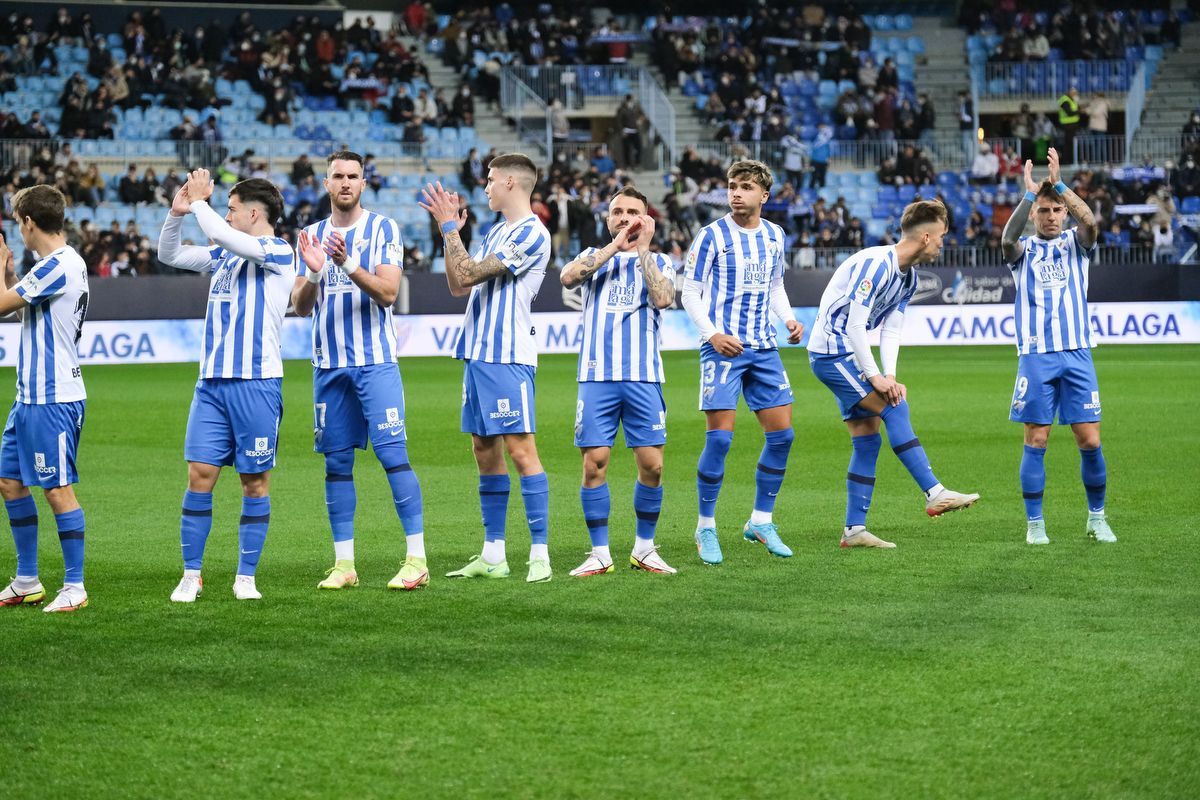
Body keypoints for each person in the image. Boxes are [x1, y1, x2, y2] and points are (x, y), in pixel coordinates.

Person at [290, 151, 427, 592]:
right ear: (326, 184)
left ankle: (416, 558)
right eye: (338, 176)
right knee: (337, 463)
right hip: (328, 366)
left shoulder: (384, 228)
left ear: (363, 184)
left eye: (353, 176)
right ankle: (344, 564)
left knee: (393, 455)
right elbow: (300, 306)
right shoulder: (310, 235)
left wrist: (347, 263)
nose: (346, 183)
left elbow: (388, 292)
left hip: (375, 363)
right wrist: (314, 274)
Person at [157, 170, 297, 601]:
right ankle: (191, 573)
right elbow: (170, 254)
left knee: (254, 482)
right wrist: (178, 213)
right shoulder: (224, 255)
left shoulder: (277, 250)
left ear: (255, 213)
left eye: (232, 209)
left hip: (256, 383)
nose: (226, 215)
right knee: (199, 475)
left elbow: (226, 235)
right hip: (211, 384)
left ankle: (245, 576)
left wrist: (201, 201)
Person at [807, 200, 980, 548]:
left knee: (868, 438)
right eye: (942, 236)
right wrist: (875, 378)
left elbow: (891, 330)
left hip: (846, 352)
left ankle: (854, 531)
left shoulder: (910, 278)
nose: (944, 243)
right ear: (927, 236)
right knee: (894, 407)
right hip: (831, 350)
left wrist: (890, 374)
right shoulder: (876, 264)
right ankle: (935, 492)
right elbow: (856, 325)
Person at [419, 154, 553, 583]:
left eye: (492, 181)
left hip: (507, 355)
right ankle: (494, 554)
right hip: (477, 353)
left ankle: (540, 556)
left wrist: (448, 228)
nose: (486, 188)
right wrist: (449, 235)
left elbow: (473, 272)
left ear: (511, 182)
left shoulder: (533, 233)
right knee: (484, 451)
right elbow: (459, 284)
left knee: (521, 450)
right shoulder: (497, 230)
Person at [681, 160, 804, 565]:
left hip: (764, 348)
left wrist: (787, 317)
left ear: (763, 195)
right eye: (732, 185)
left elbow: (775, 286)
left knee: (782, 436)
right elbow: (691, 292)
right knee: (720, 439)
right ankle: (705, 526)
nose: (736, 192)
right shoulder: (711, 236)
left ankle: (760, 521)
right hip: (723, 349)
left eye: (746, 186)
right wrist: (712, 334)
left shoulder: (774, 236)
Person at [558, 187, 677, 577]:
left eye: (633, 213)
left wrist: (642, 248)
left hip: (644, 376)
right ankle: (599, 553)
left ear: (647, 219)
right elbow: (568, 277)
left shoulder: (660, 261)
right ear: (608, 219)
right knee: (595, 465)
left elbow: (662, 298)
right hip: (596, 376)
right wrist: (615, 247)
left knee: (653, 466)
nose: (625, 218)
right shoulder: (593, 258)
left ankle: (644, 548)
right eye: (617, 212)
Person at [1000, 148, 1114, 545]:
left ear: (1063, 212)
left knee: (1091, 439)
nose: (1051, 216)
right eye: (1045, 211)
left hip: (1077, 353)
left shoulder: (1075, 245)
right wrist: (1030, 193)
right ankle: (1035, 525)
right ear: (1035, 214)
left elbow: (1091, 222)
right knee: (1037, 440)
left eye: (1056, 210)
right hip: (1036, 357)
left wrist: (1060, 184)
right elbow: (1006, 237)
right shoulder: (1023, 252)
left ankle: (1096, 519)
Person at [0, 186, 91, 613]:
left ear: (28, 222)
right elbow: (17, 307)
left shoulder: (60, 265)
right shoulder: (53, 266)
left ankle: (75, 586)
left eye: (19, 222)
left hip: (53, 399)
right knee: (11, 483)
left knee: (57, 490)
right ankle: (26, 580)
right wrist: (9, 273)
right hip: (29, 398)